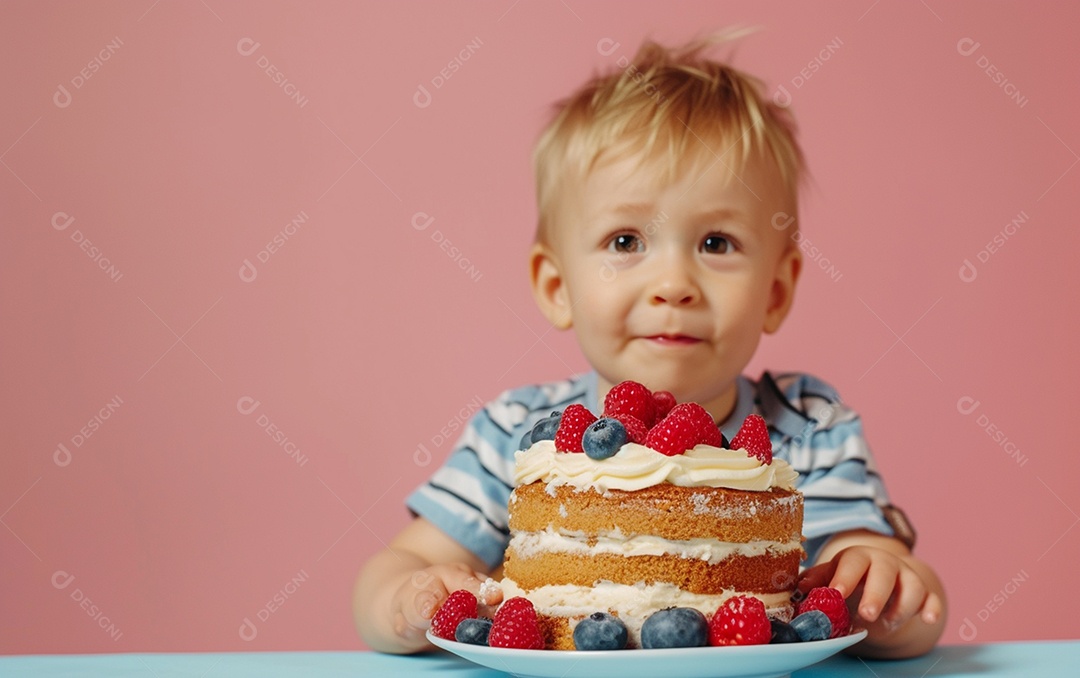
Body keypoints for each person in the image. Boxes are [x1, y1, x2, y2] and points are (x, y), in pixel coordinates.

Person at [354, 33, 946, 658]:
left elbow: (906, 597)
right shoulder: (515, 431)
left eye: (716, 243)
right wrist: (406, 600)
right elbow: (393, 571)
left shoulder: (812, 425)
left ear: (775, 290)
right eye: (625, 241)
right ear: (557, 286)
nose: (673, 285)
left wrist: (889, 599)